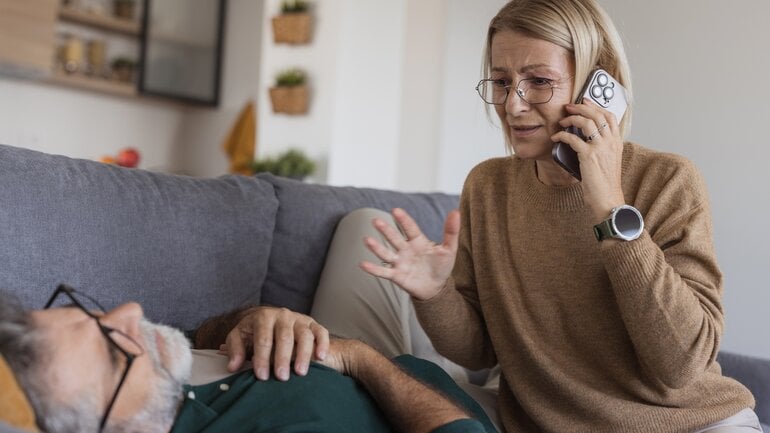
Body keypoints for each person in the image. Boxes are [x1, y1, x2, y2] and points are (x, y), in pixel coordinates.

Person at [346, 0, 760, 432]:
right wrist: (434, 294)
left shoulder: (668, 180)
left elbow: (682, 364)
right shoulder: (487, 187)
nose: (513, 106)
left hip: (690, 424)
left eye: (539, 81)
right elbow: (479, 352)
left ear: (597, 85)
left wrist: (610, 207)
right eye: (502, 82)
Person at [0, 285, 496, 433]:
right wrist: (362, 359)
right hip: (451, 401)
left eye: (86, 311)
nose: (129, 311)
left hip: (389, 357)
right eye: (112, 350)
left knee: (365, 224)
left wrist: (257, 319)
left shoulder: (160, 374)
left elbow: (204, 337)